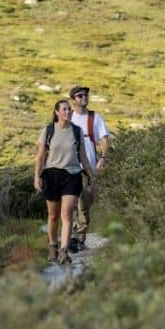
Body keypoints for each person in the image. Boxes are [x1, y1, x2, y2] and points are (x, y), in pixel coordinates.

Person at [34, 99, 93, 264]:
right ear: (57, 112)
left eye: (69, 110)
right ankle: (53, 245)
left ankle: (63, 250)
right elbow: (40, 157)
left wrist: (91, 177)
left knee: (66, 214)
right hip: (51, 175)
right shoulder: (48, 130)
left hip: (72, 176)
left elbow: (83, 157)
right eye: (64, 110)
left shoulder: (77, 131)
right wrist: (36, 177)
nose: (68, 112)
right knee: (53, 216)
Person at [68, 85, 109, 252]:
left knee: (84, 204)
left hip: (87, 168)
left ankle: (80, 237)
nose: (83, 98)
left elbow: (104, 139)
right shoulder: (67, 117)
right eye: (79, 96)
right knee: (69, 204)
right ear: (73, 99)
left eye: (85, 95)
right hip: (68, 167)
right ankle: (70, 237)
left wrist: (103, 157)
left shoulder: (95, 118)